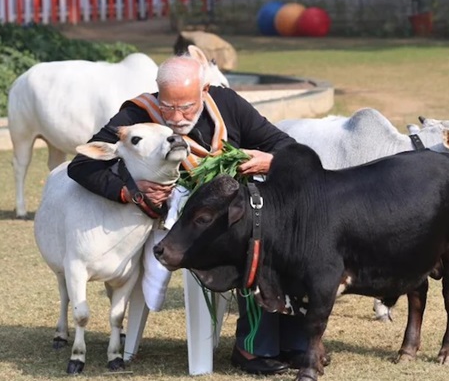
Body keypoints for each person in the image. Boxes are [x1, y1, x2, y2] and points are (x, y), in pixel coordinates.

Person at [67, 54, 310, 375]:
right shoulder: (139, 113)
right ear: (158, 94)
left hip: (232, 214)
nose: (176, 117)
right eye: (168, 107)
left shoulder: (227, 105)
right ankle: (253, 347)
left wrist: (271, 161)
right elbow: (82, 164)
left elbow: (286, 146)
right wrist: (129, 191)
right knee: (254, 244)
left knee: (290, 237)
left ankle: (294, 343)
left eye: (186, 107)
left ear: (204, 90)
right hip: (179, 226)